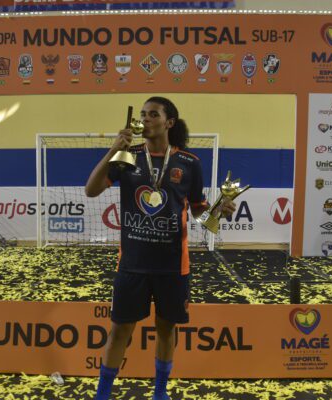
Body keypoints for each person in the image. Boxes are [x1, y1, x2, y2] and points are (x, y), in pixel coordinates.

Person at [86, 97, 236, 400]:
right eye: (142, 115)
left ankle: (159, 393)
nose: (145, 120)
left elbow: (198, 212)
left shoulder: (189, 163)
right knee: (119, 332)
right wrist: (115, 148)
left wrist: (220, 212)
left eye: (153, 114)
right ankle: (102, 395)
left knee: (167, 330)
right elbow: (92, 189)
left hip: (172, 266)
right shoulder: (128, 157)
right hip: (132, 264)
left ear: (169, 122)